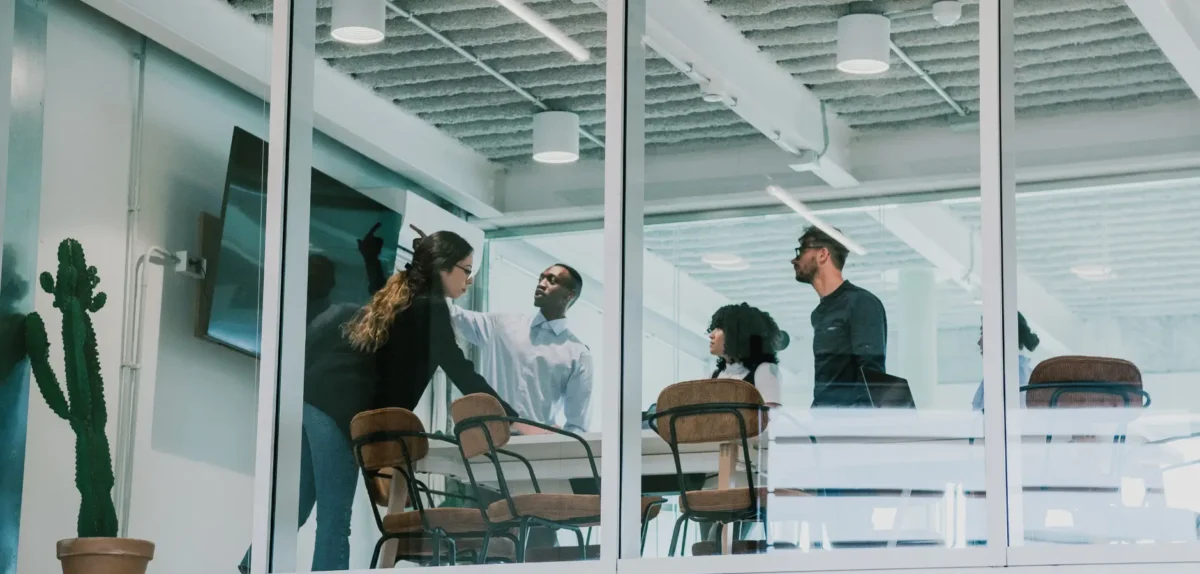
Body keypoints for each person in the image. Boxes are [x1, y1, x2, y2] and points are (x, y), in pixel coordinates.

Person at [239, 255, 370, 573]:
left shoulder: (293, 318)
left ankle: (251, 566)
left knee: (295, 507)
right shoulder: (344, 314)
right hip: (333, 412)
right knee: (334, 518)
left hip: (305, 408)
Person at [344, 230, 518, 420]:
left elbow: (377, 286)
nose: (470, 279)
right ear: (443, 267)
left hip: (343, 412)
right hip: (363, 422)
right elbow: (460, 369)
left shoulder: (405, 297)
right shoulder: (430, 306)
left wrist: (372, 258)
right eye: (467, 270)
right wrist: (511, 419)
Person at [448, 264, 593, 434]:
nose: (541, 283)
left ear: (569, 295)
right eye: (541, 277)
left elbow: (578, 426)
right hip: (488, 441)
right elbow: (451, 314)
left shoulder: (578, 353)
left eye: (552, 280)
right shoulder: (501, 326)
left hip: (536, 451)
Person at [792, 226, 888, 407]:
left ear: (822, 254)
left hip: (850, 427)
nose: (794, 260)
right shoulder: (819, 314)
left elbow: (871, 374)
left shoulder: (860, 302)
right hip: (826, 422)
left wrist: (853, 426)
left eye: (801, 251)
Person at [708, 303, 786, 410]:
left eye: (719, 328)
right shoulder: (714, 375)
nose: (711, 334)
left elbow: (770, 418)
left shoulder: (764, 370)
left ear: (738, 334)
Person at [971, 312, 1039, 410]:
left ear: (998, 335)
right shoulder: (1007, 370)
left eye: (982, 333)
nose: (979, 342)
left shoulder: (1012, 374)